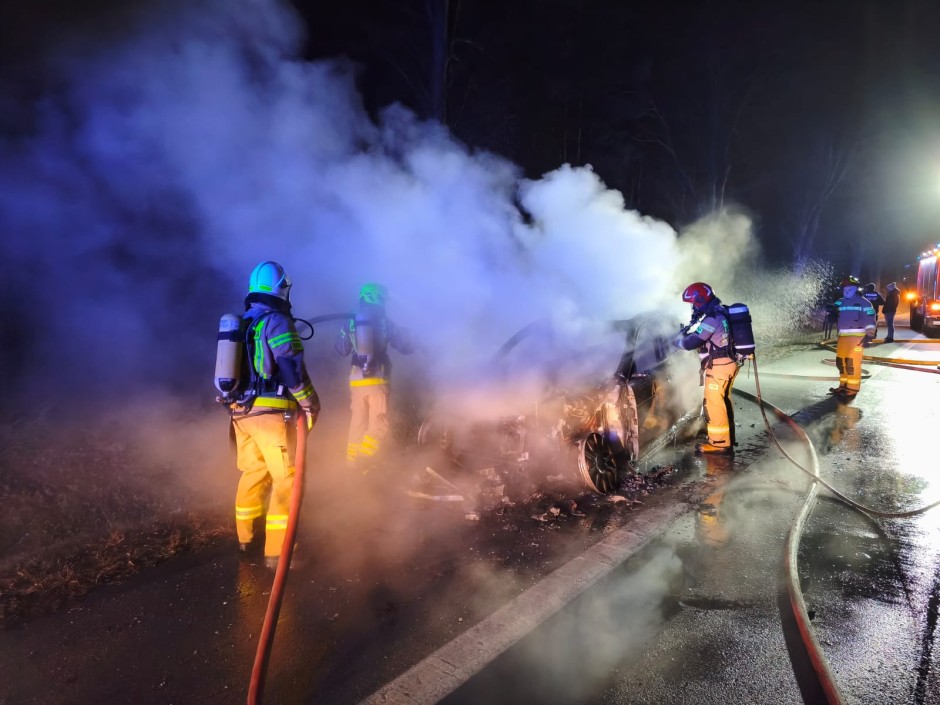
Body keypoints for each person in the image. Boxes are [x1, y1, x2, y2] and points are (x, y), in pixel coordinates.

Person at [229, 261, 320, 569]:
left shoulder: (243, 322)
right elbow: (291, 367)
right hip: (272, 413)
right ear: (283, 288)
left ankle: (246, 540)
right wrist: (310, 403)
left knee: (252, 473)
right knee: (287, 479)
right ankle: (278, 554)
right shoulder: (277, 321)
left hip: (240, 413)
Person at [335, 283, 413, 472]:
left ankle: (352, 468)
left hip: (356, 380)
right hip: (377, 379)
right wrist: (411, 338)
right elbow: (403, 347)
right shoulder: (383, 320)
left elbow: (341, 349)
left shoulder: (350, 320)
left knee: (358, 424)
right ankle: (365, 460)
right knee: (379, 424)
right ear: (376, 298)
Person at [674, 282, 739, 455]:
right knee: (724, 401)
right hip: (728, 364)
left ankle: (719, 443)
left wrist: (677, 342)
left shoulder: (712, 319)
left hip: (719, 367)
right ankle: (727, 438)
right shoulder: (721, 312)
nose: (693, 307)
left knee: (714, 405)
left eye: (694, 303)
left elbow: (693, 342)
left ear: (701, 301)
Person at [829, 276, 876, 400]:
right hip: (843, 336)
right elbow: (832, 310)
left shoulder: (864, 302)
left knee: (852, 363)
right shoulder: (840, 301)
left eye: (849, 287)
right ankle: (843, 386)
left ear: (856, 288)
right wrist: (831, 313)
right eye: (844, 288)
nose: (846, 290)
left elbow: (870, 319)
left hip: (858, 337)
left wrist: (870, 335)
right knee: (841, 362)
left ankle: (852, 389)